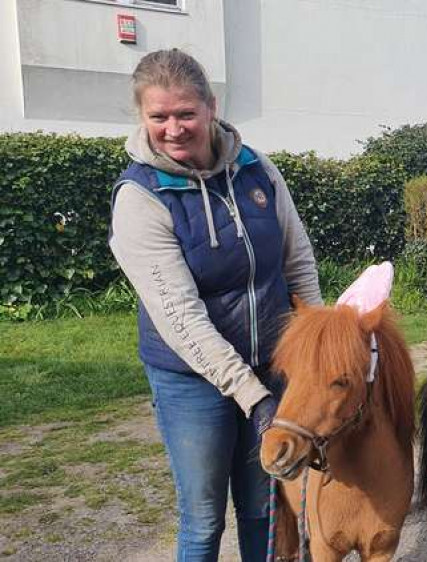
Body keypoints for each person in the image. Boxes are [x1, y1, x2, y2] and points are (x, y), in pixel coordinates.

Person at [108, 49, 322, 562]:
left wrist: (313, 348)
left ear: (211, 107)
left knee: (263, 509)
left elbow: (298, 261)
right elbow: (181, 318)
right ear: (143, 118)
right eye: (158, 116)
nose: (174, 128)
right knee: (204, 519)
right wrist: (254, 396)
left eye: (185, 113)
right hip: (191, 381)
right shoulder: (140, 197)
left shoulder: (256, 169)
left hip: (270, 366)